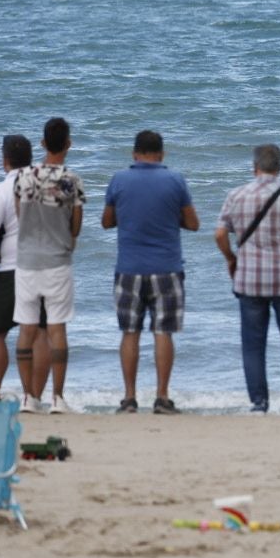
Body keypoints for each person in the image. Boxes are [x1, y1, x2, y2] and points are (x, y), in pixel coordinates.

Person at [101, 130, 199, 415]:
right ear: (162, 154)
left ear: (134, 154)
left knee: (129, 333)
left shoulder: (119, 180)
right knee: (163, 333)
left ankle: (129, 399)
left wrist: (130, 215)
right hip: (167, 268)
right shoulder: (175, 180)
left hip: (129, 268)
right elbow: (193, 223)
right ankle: (162, 397)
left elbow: (107, 222)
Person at [215, 143, 280, 413]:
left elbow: (219, 233)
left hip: (249, 280)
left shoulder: (236, 195)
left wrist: (231, 258)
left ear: (255, 167)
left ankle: (259, 403)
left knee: (253, 344)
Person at [13, 117, 84, 414]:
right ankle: (57, 398)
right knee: (57, 329)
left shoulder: (24, 178)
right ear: (68, 144)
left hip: (27, 262)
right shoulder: (71, 181)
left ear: (42, 143)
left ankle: (28, 397)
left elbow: (20, 217)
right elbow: (76, 227)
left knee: (27, 330)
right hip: (57, 261)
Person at [0, 135, 51, 394]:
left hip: (12, 270)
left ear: (5, 160)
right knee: (41, 332)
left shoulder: (0, 191)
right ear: (30, 158)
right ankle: (34, 398)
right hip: (44, 269)